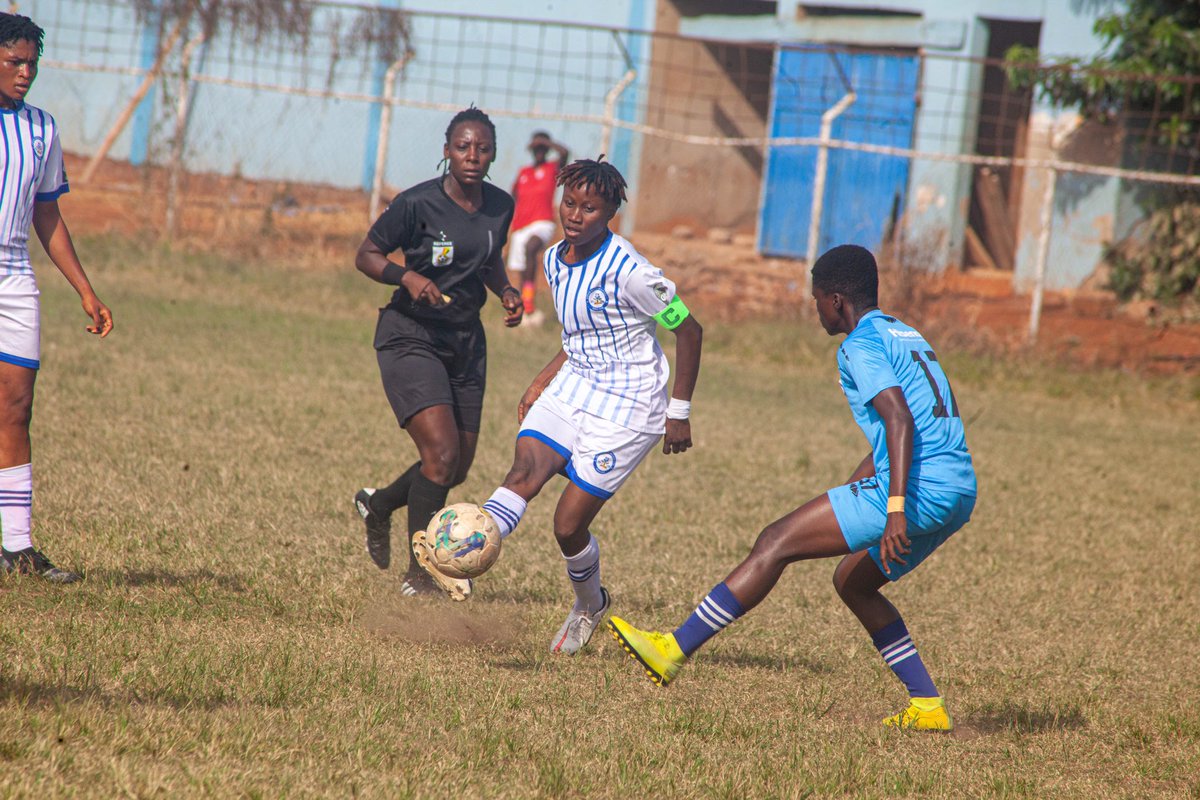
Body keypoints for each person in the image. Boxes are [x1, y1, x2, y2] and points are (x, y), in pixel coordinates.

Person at [608, 244, 976, 732]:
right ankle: (928, 707)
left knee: (775, 542)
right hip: (958, 488)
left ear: (838, 301)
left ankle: (671, 650)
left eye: (817, 299)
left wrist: (894, 510)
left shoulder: (860, 344)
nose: (816, 308)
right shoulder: (905, 334)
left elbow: (899, 419)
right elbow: (909, 422)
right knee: (854, 583)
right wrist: (859, 483)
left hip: (917, 491)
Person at [420, 157, 703, 655]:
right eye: (569, 203)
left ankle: (589, 604)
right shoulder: (553, 259)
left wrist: (677, 411)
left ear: (610, 212)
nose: (575, 214)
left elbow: (690, 329)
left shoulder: (634, 273)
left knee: (567, 525)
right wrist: (541, 380)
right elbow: (578, 336)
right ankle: (462, 553)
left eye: (589, 208)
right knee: (523, 474)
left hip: (629, 405)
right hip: (575, 385)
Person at [353, 107, 523, 598]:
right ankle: (421, 573)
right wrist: (406, 276)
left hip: (466, 341)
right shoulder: (417, 204)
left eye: (483, 148)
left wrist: (506, 290)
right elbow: (366, 255)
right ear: (446, 150)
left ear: (492, 154)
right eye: (463, 146)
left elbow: (488, 260)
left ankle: (380, 504)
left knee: (457, 465)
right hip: (411, 334)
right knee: (441, 454)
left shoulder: (499, 205)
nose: (473, 156)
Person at [0, 13, 114, 584]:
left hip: (15, 278)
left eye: (31, 64)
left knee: (16, 408)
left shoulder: (41, 130)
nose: (25, 73)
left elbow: (49, 215)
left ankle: (17, 548)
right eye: (14, 62)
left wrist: (86, 292)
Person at [507, 131, 568, 326]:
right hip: (520, 226)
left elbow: (565, 153)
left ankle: (529, 305)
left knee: (531, 248)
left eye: (543, 148)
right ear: (532, 150)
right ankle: (523, 307)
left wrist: (548, 141)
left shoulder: (552, 169)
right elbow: (512, 196)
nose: (540, 151)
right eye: (537, 147)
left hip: (542, 222)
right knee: (522, 266)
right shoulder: (524, 173)